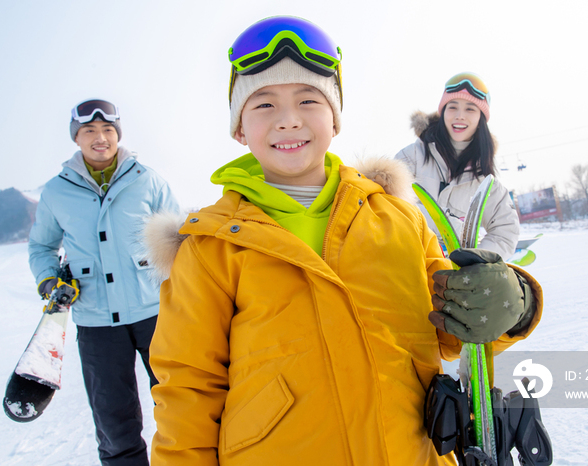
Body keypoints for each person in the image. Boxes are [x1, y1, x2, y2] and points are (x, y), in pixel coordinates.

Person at [146, 16, 542, 466]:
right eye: (264, 105)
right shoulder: (212, 248)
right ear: (239, 128)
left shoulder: (397, 220)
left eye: (309, 99)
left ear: (335, 118)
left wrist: (514, 301)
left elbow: (455, 329)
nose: (289, 119)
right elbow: (188, 391)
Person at [28, 98, 180, 466]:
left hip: (155, 313)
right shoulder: (56, 191)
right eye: (90, 131)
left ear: (118, 135)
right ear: (77, 139)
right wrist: (50, 281)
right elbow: (42, 246)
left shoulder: (147, 179)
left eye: (108, 130)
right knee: (114, 419)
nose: (101, 138)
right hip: (97, 322)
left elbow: (180, 239)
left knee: (180, 402)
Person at [395, 73, 520, 260]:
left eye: (470, 109)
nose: (460, 116)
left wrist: (478, 261)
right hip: (408, 268)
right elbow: (387, 206)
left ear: (481, 119)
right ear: (443, 112)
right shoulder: (412, 157)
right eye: (452, 107)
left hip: (456, 282)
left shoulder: (485, 179)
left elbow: (505, 229)